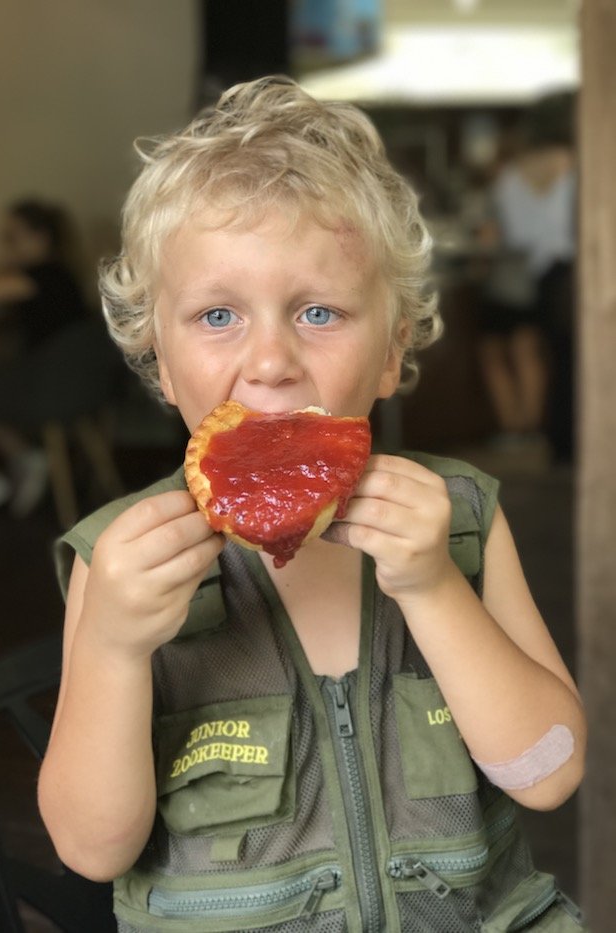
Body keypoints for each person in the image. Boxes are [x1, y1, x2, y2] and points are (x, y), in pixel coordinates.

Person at [38, 78, 587, 932]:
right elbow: (91, 847)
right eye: (218, 314)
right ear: (160, 360)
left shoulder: (461, 516)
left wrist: (435, 585)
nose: (270, 361)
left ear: (390, 349)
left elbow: (549, 772)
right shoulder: (119, 560)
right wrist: (112, 644)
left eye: (319, 311)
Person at [0, 199, 88, 522]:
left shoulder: (40, 274)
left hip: (50, 386)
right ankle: (21, 460)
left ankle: (6, 468)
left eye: (12, 236)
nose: (7, 244)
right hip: (78, 385)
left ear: (40, 237)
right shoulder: (62, 275)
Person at [477, 93, 576, 460]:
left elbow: (504, 233)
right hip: (565, 273)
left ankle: (526, 430)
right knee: (553, 357)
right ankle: (548, 433)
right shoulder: (576, 165)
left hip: (519, 275)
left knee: (510, 352)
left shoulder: (510, 175)